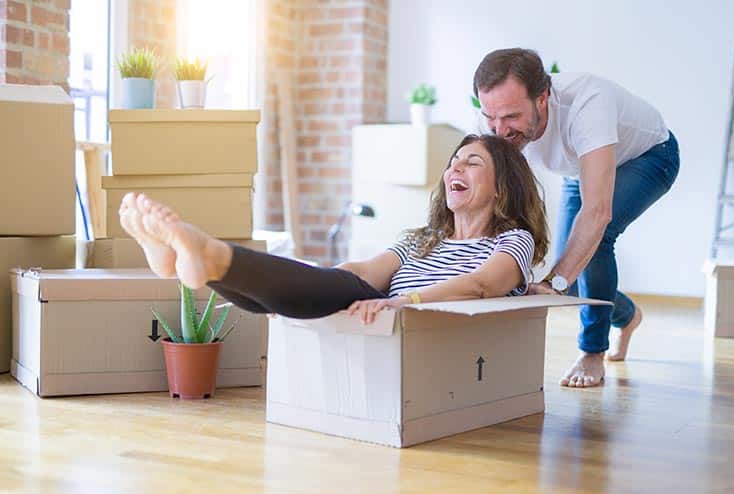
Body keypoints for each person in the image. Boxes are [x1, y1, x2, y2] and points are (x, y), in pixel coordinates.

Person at [118, 134, 549, 325]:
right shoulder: (423, 238)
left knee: (343, 291)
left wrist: (405, 303)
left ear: (501, 187)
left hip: (419, 319)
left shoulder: (512, 241)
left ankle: (204, 256)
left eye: (472, 163)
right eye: (453, 161)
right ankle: (196, 262)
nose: (456, 167)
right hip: (381, 309)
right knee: (338, 283)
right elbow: (364, 273)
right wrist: (310, 285)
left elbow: (479, 287)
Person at [474, 48, 680, 388]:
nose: (499, 130)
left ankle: (592, 352)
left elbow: (597, 213)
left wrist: (552, 282)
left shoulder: (588, 103)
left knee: (593, 247)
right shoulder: (497, 120)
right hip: (578, 168)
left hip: (649, 156)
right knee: (566, 277)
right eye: (489, 117)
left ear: (542, 99)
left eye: (511, 117)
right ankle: (627, 316)